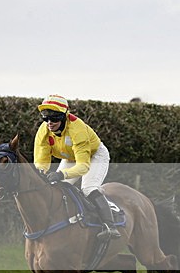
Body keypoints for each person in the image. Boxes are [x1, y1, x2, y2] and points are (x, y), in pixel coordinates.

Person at [33, 94, 121, 239]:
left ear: (64, 116)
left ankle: (110, 226)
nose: (49, 122)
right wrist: (41, 173)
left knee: (88, 188)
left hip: (94, 156)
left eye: (54, 118)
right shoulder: (43, 131)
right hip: (71, 156)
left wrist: (62, 174)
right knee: (56, 187)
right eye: (45, 118)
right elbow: (41, 161)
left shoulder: (77, 129)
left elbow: (83, 167)